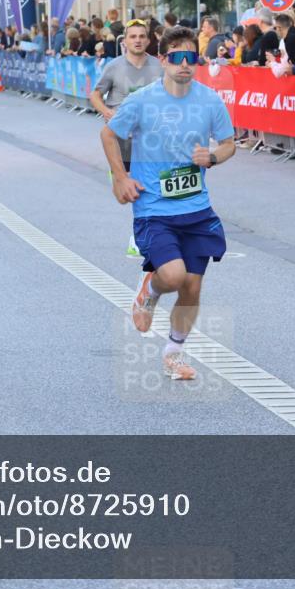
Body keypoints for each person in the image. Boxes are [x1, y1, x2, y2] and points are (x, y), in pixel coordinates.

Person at [101, 26, 236, 381]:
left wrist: (213, 157)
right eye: (176, 57)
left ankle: (174, 353)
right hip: (154, 209)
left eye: (191, 58)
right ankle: (151, 288)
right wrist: (120, 177)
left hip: (197, 209)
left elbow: (228, 143)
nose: (184, 65)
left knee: (192, 286)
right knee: (173, 276)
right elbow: (109, 134)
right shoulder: (142, 100)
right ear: (163, 61)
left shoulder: (209, 100)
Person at [90, 19, 163, 257]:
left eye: (142, 36)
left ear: (148, 40)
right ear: (125, 41)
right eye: (133, 36)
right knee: (129, 190)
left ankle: (140, 236)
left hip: (151, 139)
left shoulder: (159, 67)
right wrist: (106, 111)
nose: (138, 40)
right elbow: (95, 95)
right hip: (121, 139)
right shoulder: (114, 66)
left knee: (150, 187)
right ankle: (143, 232)